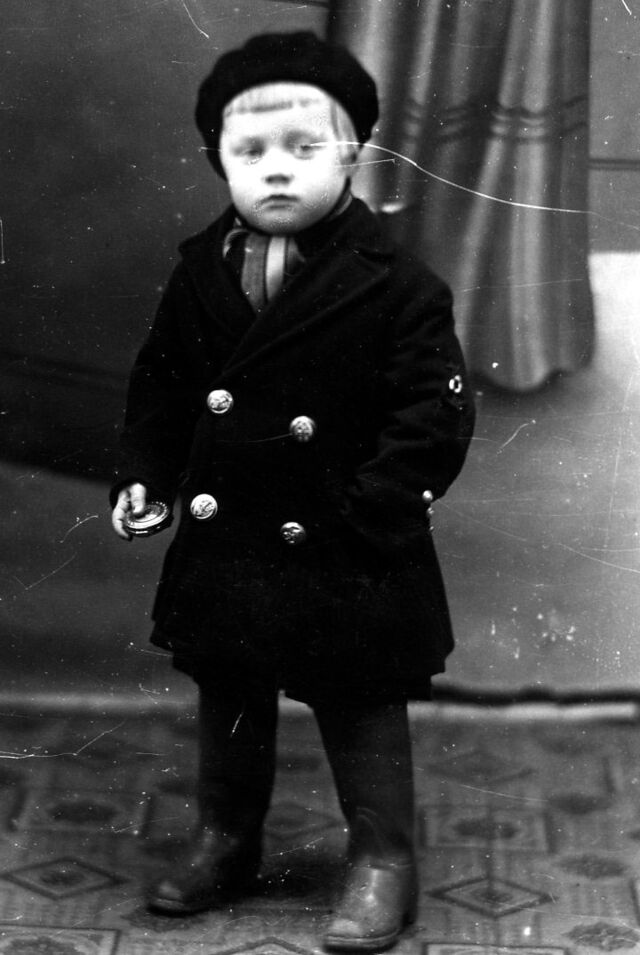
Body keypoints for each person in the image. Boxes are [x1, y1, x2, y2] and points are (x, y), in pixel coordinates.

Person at [111, 31, 475, 952]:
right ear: (220, 161)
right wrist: (146, 474)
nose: (276, 169)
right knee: (229, 688)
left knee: (360, 701)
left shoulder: (397, 284)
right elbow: (162, 383)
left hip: (347, 537)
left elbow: (431, 415)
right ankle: (227, 837)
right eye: (251, 152)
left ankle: (383, 860)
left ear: (353, 155)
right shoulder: (201, 271)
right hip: (233, 532)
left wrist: (375, 508)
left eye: (304, 148)